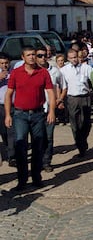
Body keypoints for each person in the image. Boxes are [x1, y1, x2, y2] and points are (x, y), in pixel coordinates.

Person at [5, 46, 55, 191]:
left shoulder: (43, 72)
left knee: (38, 146)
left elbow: (51, 93)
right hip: (20, 115)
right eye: (29, 55)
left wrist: (51, 111)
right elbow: (8, 94)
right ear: (23, 57)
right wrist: (8, 115)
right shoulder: (16, 73)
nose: (32, 57)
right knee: (20, 147)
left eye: (34, 54)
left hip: (38, 114)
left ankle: (36, 178)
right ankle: (22, 180)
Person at [59, 49, 93, 157]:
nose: (74, 59)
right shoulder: (64, 70)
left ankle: (83, 140)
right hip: (72, 98)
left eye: (75, 57)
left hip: (85, 97)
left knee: (86, 123)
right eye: (72, 58)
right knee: (75, 124)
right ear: (68, 59)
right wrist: (60, 100)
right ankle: (80, 146)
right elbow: (62, 86)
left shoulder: (86, 68)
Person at [36, 47, 62, 173]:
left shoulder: (54, 71)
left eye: (44, 55)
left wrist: (59, 100)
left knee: (49, 137)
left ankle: (46, 162)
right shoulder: (31, 71)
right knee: (37, 137)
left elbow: (60, 86)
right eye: (39, 55)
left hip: (49, 109)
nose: (42, 58)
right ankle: (37, 162)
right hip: (35, 110)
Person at [0, 52, 15, 167]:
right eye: (1, 63)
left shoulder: (13, 74)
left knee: (11, 131)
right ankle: (6, 147)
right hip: (0, 106)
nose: (4, 65)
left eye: (6, 63)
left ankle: (12, 156)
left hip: (12, 105)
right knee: (3, 131)